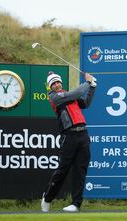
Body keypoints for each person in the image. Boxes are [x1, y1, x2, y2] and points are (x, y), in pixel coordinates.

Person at [41, 71, 97, 212]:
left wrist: (92, 88)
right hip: (69, 136)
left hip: (83, 134)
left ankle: (76, 204)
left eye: (58, 82)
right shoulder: (55, 97)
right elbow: (75, 94)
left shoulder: (69, 95)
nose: (56, 85)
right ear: (50, 87)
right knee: (63, 170)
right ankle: (47, 198)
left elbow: (85, 103)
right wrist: (87, 82)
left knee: (81, 170)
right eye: (53, 83)